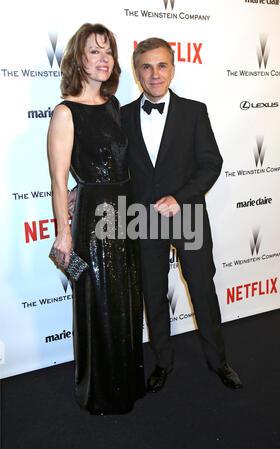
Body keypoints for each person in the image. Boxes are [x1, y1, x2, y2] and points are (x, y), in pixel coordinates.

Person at [120, 38, 243, 392]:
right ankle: (162, 361)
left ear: (172, 69)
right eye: (146, 66)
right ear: (137, 71)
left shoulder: (194, 111)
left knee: (202, 290)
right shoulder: (124, 115)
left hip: (187, 213)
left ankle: (218, 362)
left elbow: (211, 163)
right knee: (153, 293)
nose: (154, 74)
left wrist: (180, 197)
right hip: (143, 217)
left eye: (161, 66)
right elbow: (114, 169)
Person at [47, 23, 145, 415]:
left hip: (126, 210)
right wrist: (64, 234)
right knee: (100, 300)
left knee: (126, 298)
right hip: (95, 220)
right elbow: (57, 181)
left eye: (109, 52)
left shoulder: (114, 105)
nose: (104, 59)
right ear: (78, 58)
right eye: (94, 51)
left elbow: (121, 162)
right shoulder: (64, 112)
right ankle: (102, 391)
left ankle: (127, 382)